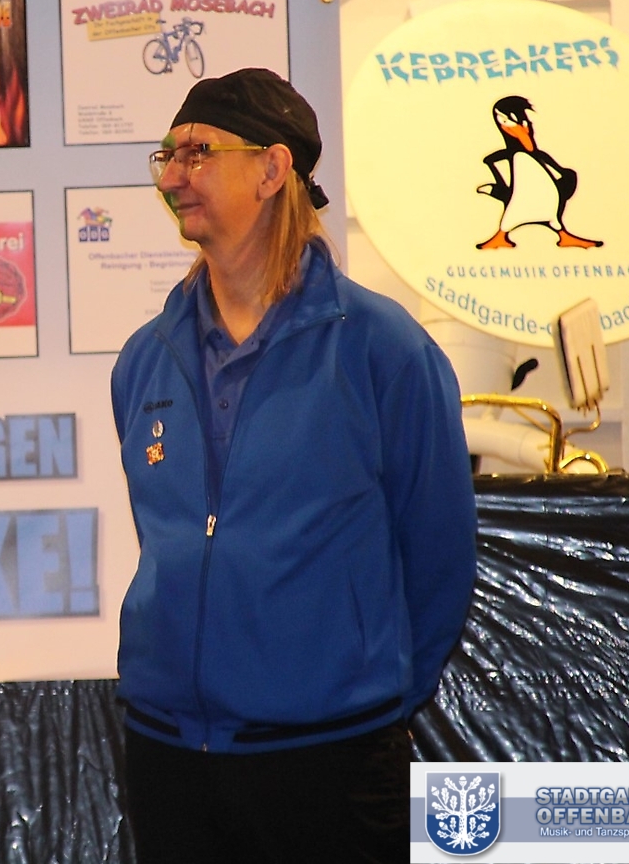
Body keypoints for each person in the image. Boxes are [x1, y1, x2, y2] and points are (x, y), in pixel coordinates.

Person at [110, 68, 477, 862]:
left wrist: (357, 699)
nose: (171, 177)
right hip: (168, 755)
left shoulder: (381, 347)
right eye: (166, 156)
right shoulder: (144, 357)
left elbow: (440, 555)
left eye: (197, 152)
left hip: (329, 763)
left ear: (272, 169)